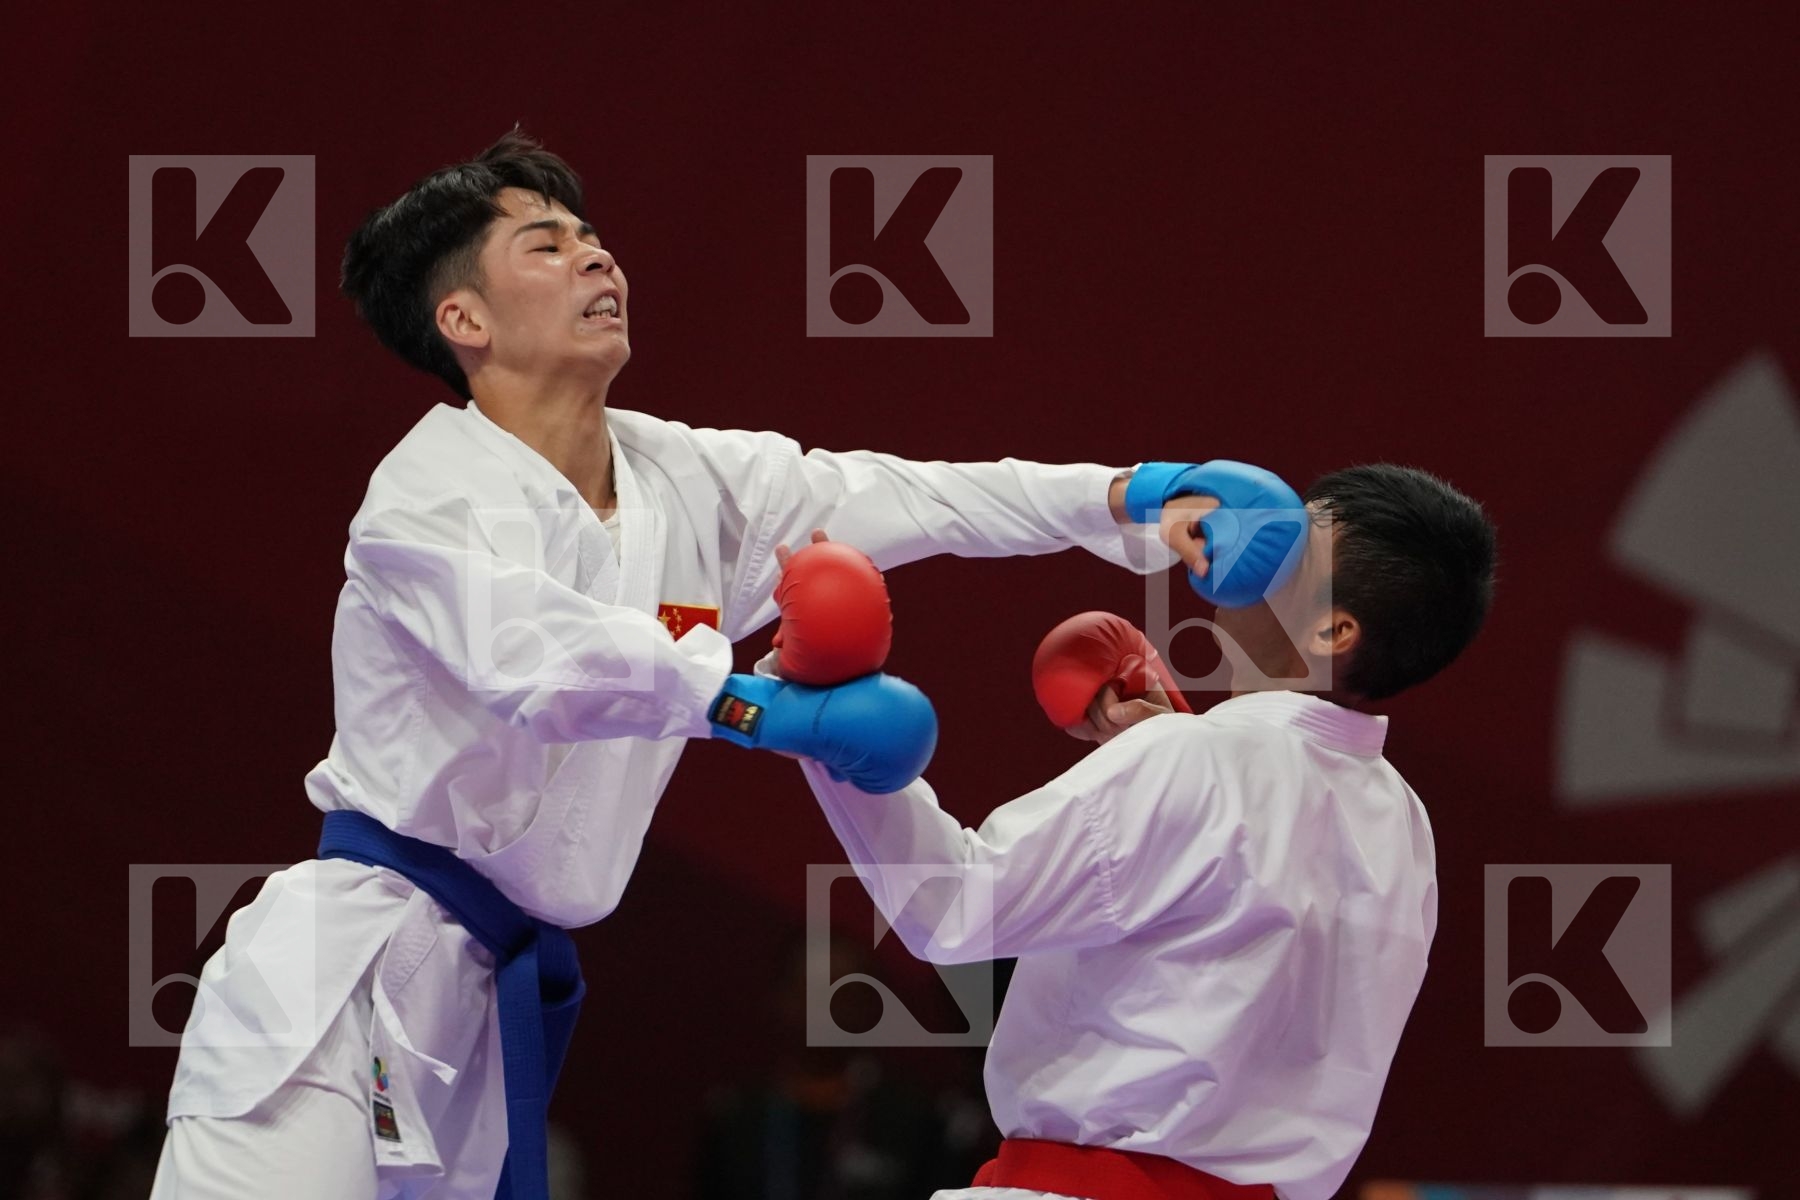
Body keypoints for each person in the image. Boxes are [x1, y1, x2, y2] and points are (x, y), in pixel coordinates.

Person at [147, 125, 1289, 1200]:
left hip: (484, 1003)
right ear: (464, 319)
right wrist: (754, 710)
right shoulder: (424, 495)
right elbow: (532, 655)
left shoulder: (687, 480)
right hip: (339, 971)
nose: (593, 253)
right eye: (544, 244)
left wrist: (1132, 495)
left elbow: (912, 491)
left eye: (591, 236)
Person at [775, 464, 1498, 1200]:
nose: (1251, 535)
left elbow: (953, 908)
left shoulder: (1196, 761)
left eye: (1287, 543)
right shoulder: (1405, 825)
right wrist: (1175, 760)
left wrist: (833, 714)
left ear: (1333, 628)